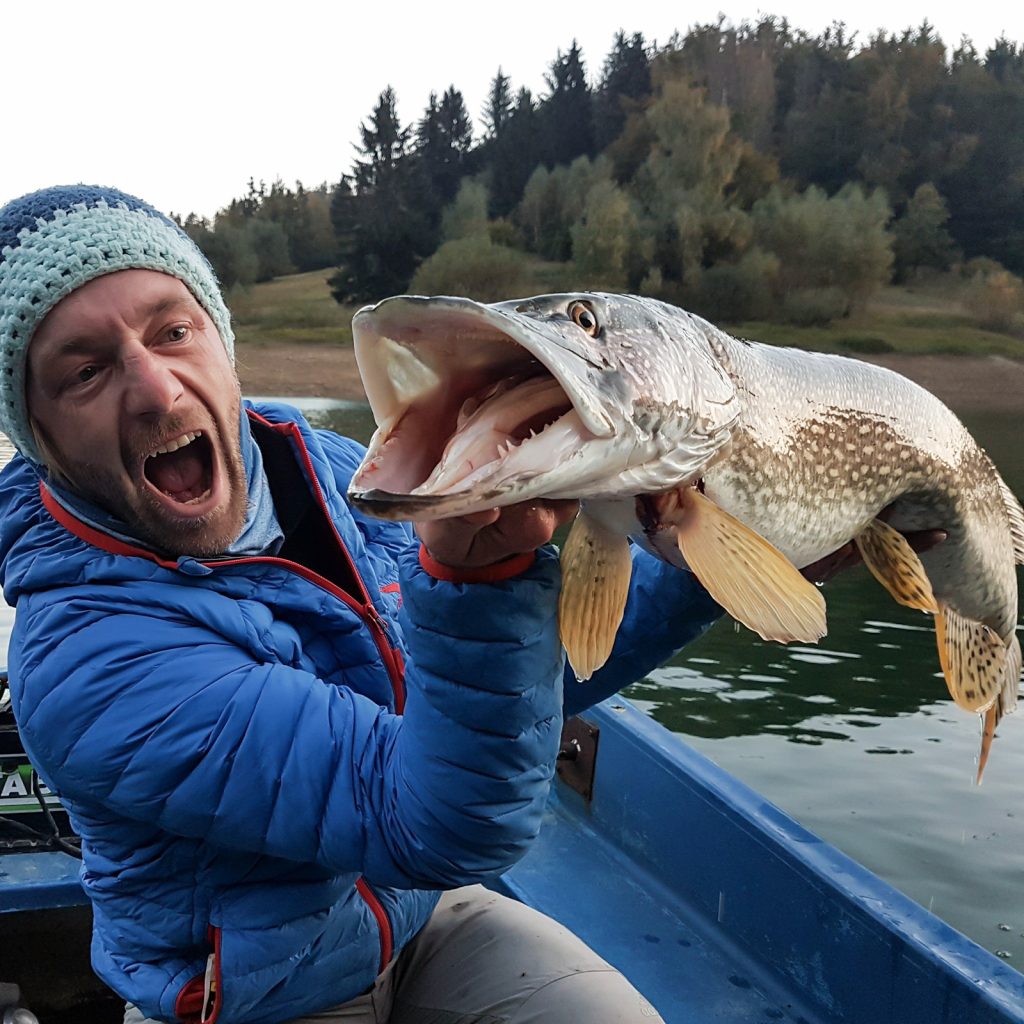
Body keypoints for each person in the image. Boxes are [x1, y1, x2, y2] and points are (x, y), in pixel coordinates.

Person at [0, 185, 727, 1024]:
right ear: (40, 436)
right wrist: (480, 582)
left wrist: (718, 564)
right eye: (85, 371)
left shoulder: (336, 468)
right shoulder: (87, 664)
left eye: (172, 330)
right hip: (261, 995)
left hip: (419, 914)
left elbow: (528, 680)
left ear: (220, 343)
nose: (157, 392)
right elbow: (435, 821)